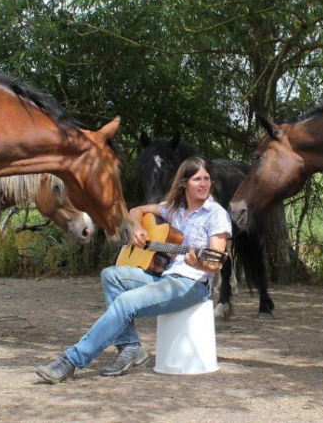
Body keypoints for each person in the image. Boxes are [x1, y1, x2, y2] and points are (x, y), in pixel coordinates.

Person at [36, 156, 231, 383]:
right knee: (111, 275)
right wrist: (138, 228)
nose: (204, 184)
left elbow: (215, 263)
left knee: (126, 302)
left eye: (207, 179)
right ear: (184, 183)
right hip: (167, 278)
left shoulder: (216, 214)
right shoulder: (174, 209)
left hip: (192, 284)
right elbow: (136, 211)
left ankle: (71, 361)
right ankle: (130, 347)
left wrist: (199, 263)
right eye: (198, 179)